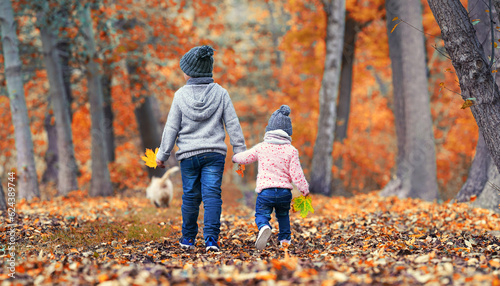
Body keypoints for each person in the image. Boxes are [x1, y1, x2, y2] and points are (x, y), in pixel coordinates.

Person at [155, 45, 247, 252]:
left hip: (188, 155)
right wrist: (239, 151)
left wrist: (162, 155)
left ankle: (188, 239)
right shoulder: (221, 93)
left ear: (189, 72)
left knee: (190, 196)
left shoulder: (180, 95)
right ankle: (211, 240)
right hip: (214, 154)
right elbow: (233, 123)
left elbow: (171, 127)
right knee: (212, 195)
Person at [232, 105, 309, 250]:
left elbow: (246, 157)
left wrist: (236, 157)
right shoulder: (291, 150)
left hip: (265, 191)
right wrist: (304, 189)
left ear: (269, 130)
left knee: (261, 213)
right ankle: (285, 240)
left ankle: (264, 226)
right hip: (284, 192)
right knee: (283, 216)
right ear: (288, 132)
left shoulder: (262, 147)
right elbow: (297, 174)